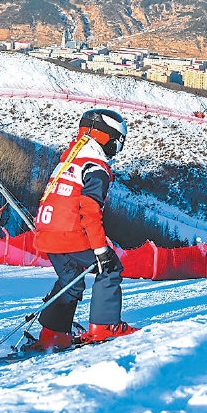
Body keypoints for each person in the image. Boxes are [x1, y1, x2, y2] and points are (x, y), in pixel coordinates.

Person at [30, 108, 139, 350]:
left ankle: (53, 334)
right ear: (106, 139)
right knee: (110, 269)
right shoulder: (95, 167)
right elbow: (90, 211)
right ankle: (105, 326)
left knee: (70, 280)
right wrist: (101, 250)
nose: (117, 149)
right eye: (117, 143)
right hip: (70, 234)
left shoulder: (68, 161)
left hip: (47, 234)